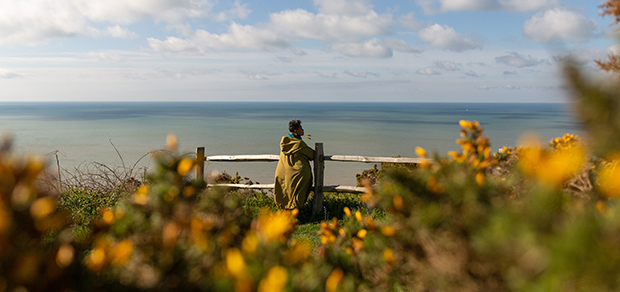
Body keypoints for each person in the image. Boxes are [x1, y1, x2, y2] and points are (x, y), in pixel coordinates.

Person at [274, 120, 315, 209]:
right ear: (295, 131)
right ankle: (294, 214)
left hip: (283, 173)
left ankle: (285, 213)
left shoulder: (284, 143)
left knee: (286, 193)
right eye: (300, 128)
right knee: (297, 195)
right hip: (299, 173)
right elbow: (312, 155)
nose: (303, 130)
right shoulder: (299, 143)